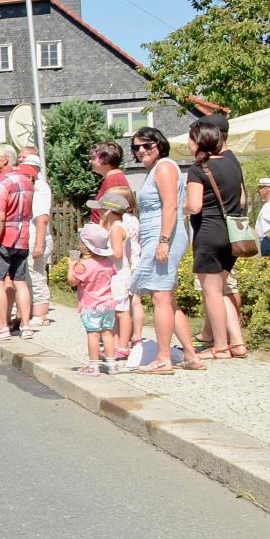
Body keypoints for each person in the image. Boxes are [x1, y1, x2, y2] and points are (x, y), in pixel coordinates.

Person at [126, 127, 206, 374]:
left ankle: (163, 359)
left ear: (159, 145)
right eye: (136, 147)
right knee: (168, 298)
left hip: (164, 236)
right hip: (158, 236)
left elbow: (170, 206)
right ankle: (190, 356)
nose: (141, 151)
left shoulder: (165, 167)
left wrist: (163, 241)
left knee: (160, 297)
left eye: (147, 145)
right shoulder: (153, 171)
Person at [186, 120, 249, 359]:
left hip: (208, 233)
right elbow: (242, 200)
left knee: (211, 292)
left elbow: (194, 206)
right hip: (230, 234)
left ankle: (220, 346)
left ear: (198, 142)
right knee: (221, 291)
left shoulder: (198, 169)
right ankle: (238, 343)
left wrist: (182, 206)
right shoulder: (232, 164)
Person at [0, 145, 36, 339]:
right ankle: (26, 326)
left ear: (5, 159)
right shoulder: (27, 181)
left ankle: (2, 325)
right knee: (20, 282)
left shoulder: (2, 183)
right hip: (23, 238)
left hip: (4, 238)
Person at [89, 189, 144, 361]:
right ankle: (115, 345)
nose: (98, 212)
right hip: (120, 273)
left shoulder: (116, 229)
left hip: (119, 274)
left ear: (109, 211)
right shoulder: (117, 226)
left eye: (100, 209)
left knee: (122, 312)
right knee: (116, 310)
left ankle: (122, 346)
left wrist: (100, 252)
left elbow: (117, 253)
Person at [67, 223, 120, 376]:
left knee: (93, 334)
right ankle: (112, 364)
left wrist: (71, 266)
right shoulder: (108, 263)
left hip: (91, 306)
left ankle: (93, 366)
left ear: (85, 246)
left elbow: (72, 281)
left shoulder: (84, 265)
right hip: (108, 304)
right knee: (107, 333)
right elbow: (112, 274)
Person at [19, 148, 54, 331]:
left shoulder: (39, 187)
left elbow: (41, 218)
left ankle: (41, 314)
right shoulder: (32, 186)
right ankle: (35, 310)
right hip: (32, 238)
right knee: (30, 275)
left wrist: (39, 244)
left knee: (36, 275)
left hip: (37, 238)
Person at [89, 142, 131, 224]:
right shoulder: (112, 178)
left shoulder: (114, 181)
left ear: (105, 159)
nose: (90, 161)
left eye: (93, 158)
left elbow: (113, 216)